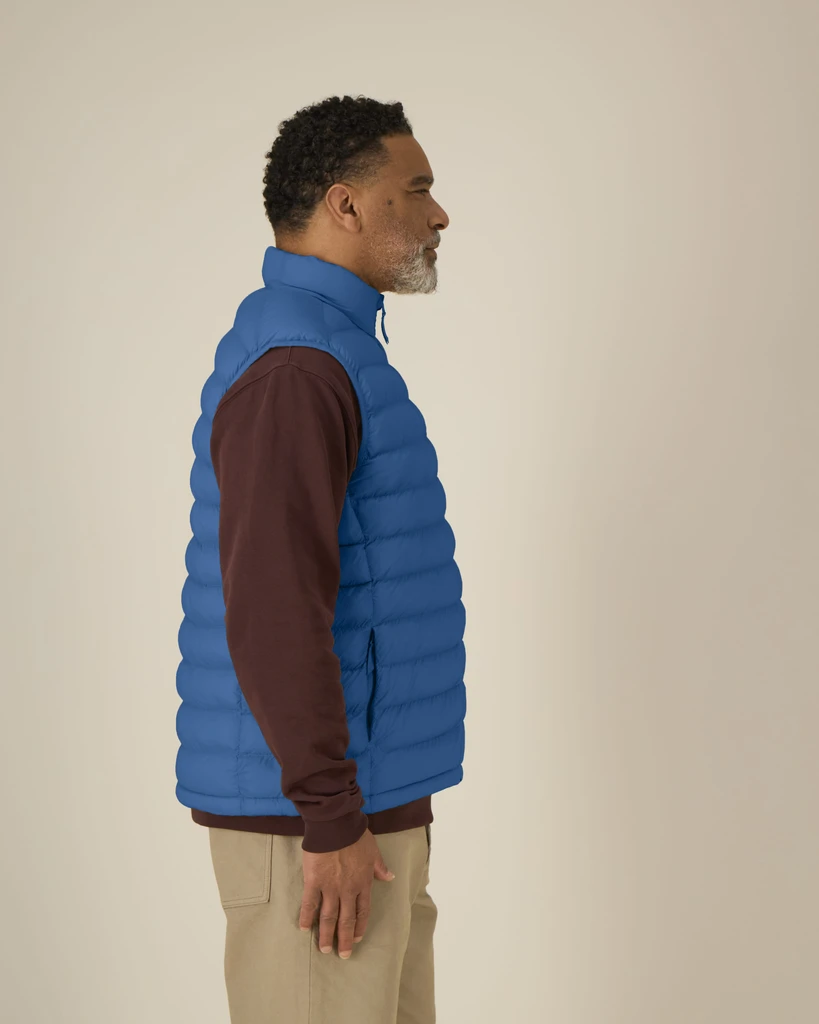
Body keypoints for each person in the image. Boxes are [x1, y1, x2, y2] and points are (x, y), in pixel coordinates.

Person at [174, 93, 467, 1024]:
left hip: (362, 813)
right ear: (345, 204)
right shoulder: (298, 366)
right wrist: (330, 814)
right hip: (316, 832)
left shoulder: (332, 349)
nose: (438, 214)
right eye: (415, 190)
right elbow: (272, 609)